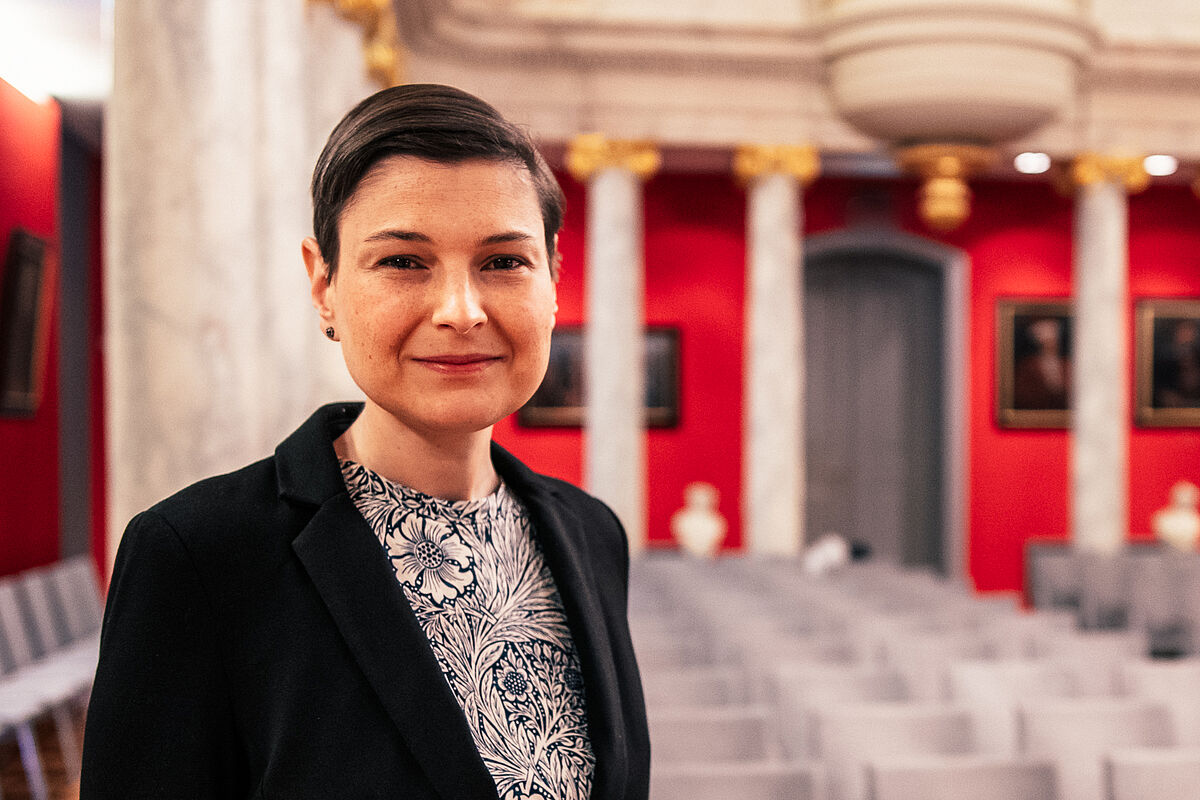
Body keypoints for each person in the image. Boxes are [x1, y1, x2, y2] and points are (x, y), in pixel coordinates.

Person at [81, 84, 650, 800]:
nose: (461, 311)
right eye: (404, 262)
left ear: (555, 279)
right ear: (324, 286)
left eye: (503, 261)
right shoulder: (200, 554)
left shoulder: (591, 533)